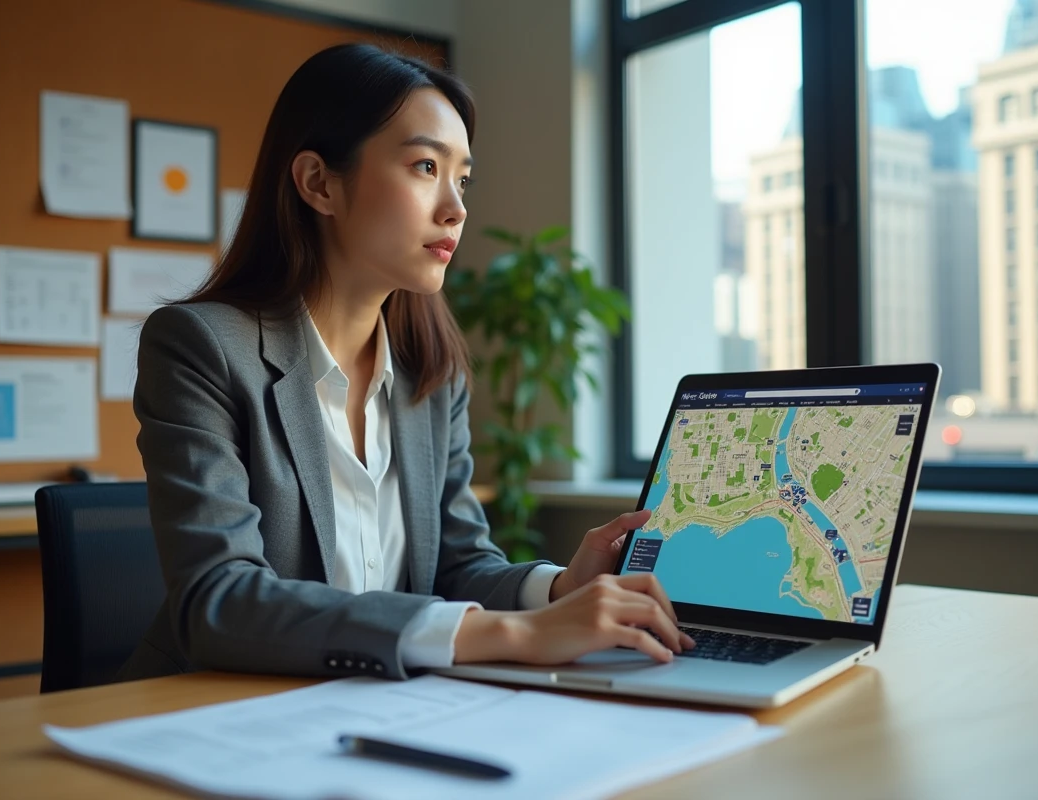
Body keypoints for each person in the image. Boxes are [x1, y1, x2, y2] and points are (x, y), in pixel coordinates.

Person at [117, 43, 694, 684]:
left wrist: (558, 591)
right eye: (425, 166)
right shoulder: (200, 346)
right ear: (318, 183)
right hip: (216, 707)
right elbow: (219, 600)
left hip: (381, 705)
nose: (456, 208)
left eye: (462, 178)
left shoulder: (431, 374)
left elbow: (456, 566)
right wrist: (515, 633)